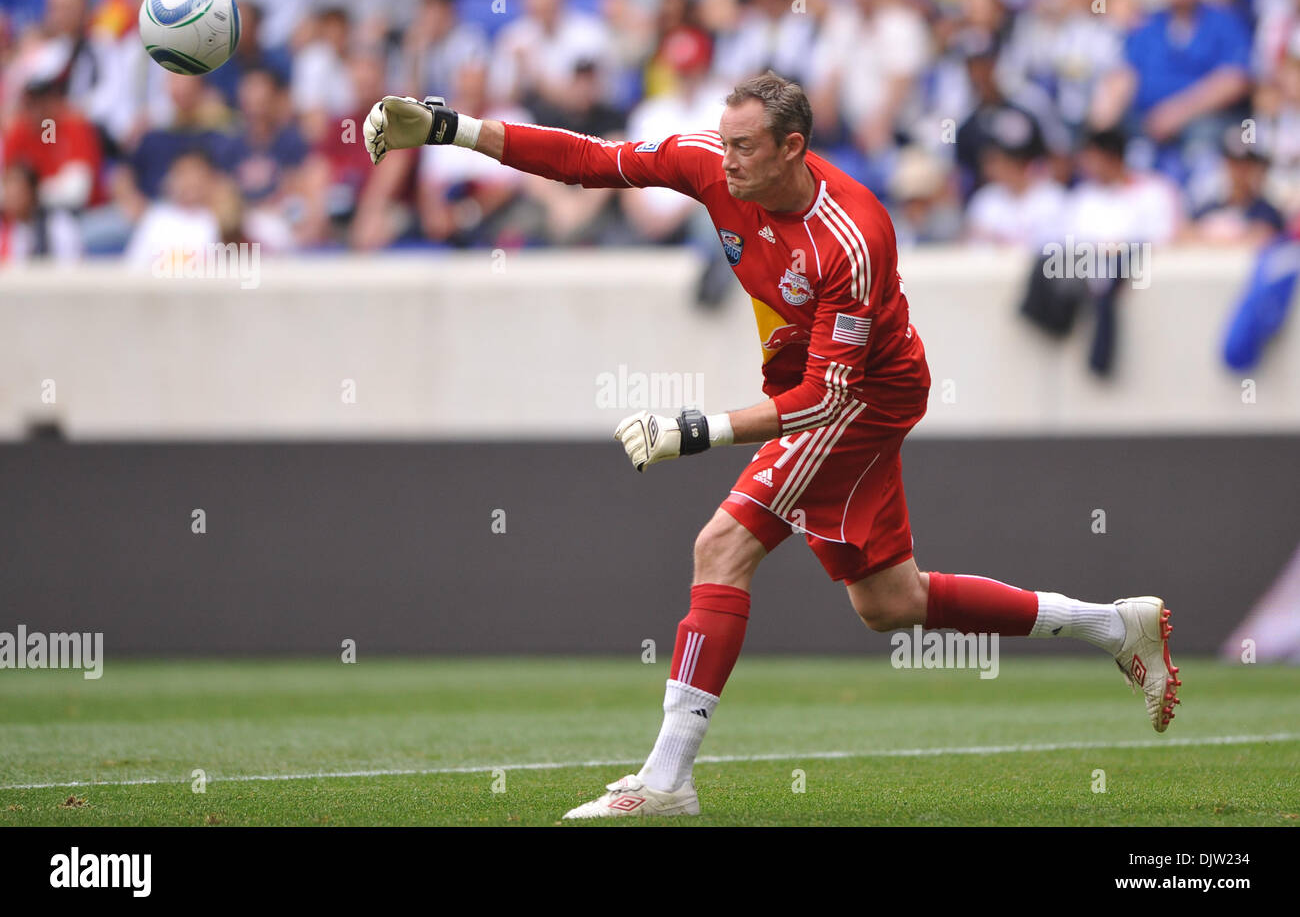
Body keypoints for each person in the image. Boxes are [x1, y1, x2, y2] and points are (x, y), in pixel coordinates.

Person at [361, 71, 1182, 819]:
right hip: (823, 399)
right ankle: (1113, 626)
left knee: (720, 544)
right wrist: (451, 128)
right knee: (889, 602)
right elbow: (589, 160)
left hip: (860, 399)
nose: (728, 158)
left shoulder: (851, 235)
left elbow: (826, 395)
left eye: (746, 145)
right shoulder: (710, 164)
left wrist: (695, 430)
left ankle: (666, 778)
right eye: (725, 139)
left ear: (794, 146)